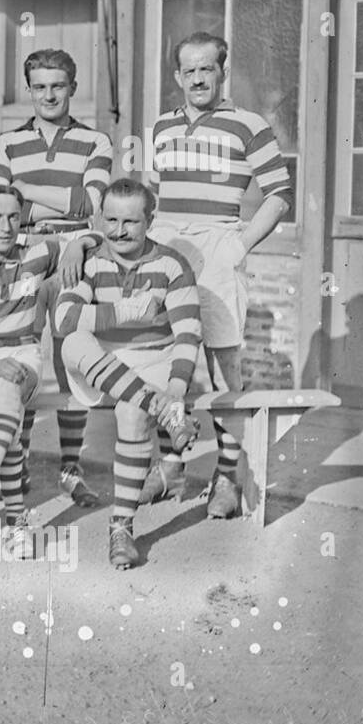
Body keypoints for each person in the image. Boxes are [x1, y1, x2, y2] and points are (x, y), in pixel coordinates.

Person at [144, 31, 294, 517]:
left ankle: (228, 475)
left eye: (206, 68)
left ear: (222, 71)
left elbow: (278, 194)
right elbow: (151, 193)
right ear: (177, 77)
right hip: (166, 244)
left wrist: (239, 244)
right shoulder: (161, 128)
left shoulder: (249, 125)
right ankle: (169, 465)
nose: (197, 79)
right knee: (163, 357)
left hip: (218, 242)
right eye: (188, 70)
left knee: (222, 361)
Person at [0, 183, 98, 558]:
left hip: (24, 356)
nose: (6, 227)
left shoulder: (36, 254)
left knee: (8, 388)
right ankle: (15, 520)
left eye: (13, 217)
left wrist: (76, 244)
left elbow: (97, 235)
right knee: (3, 406)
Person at [0, 49, 113, 508]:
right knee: (18, 354)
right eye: (39, 86)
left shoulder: (96, 141)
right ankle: (9, 466)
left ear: (73, 87)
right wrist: (50, 203)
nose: (48, 95)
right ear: (29, 90)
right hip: (21, 255)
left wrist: (27, 195)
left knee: (71, 359)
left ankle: (70, 469)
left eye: (58, 85)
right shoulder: (6, 144)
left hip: (75, 255)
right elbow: (0, 205)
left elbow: (89, 203)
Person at [55, 178, 203, 568]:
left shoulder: (171, 263)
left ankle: (121, 527)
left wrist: (175, 386)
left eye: (131, 222)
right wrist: (129, 311)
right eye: (111, 220)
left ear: (150, 221)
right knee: (72, 342)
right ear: (100, 218)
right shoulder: (89, 260)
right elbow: (65, 318)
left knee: (132, 412)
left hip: (152, 360)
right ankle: (161, 408)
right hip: (100, 362)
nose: (119, 231)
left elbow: (188, 331)